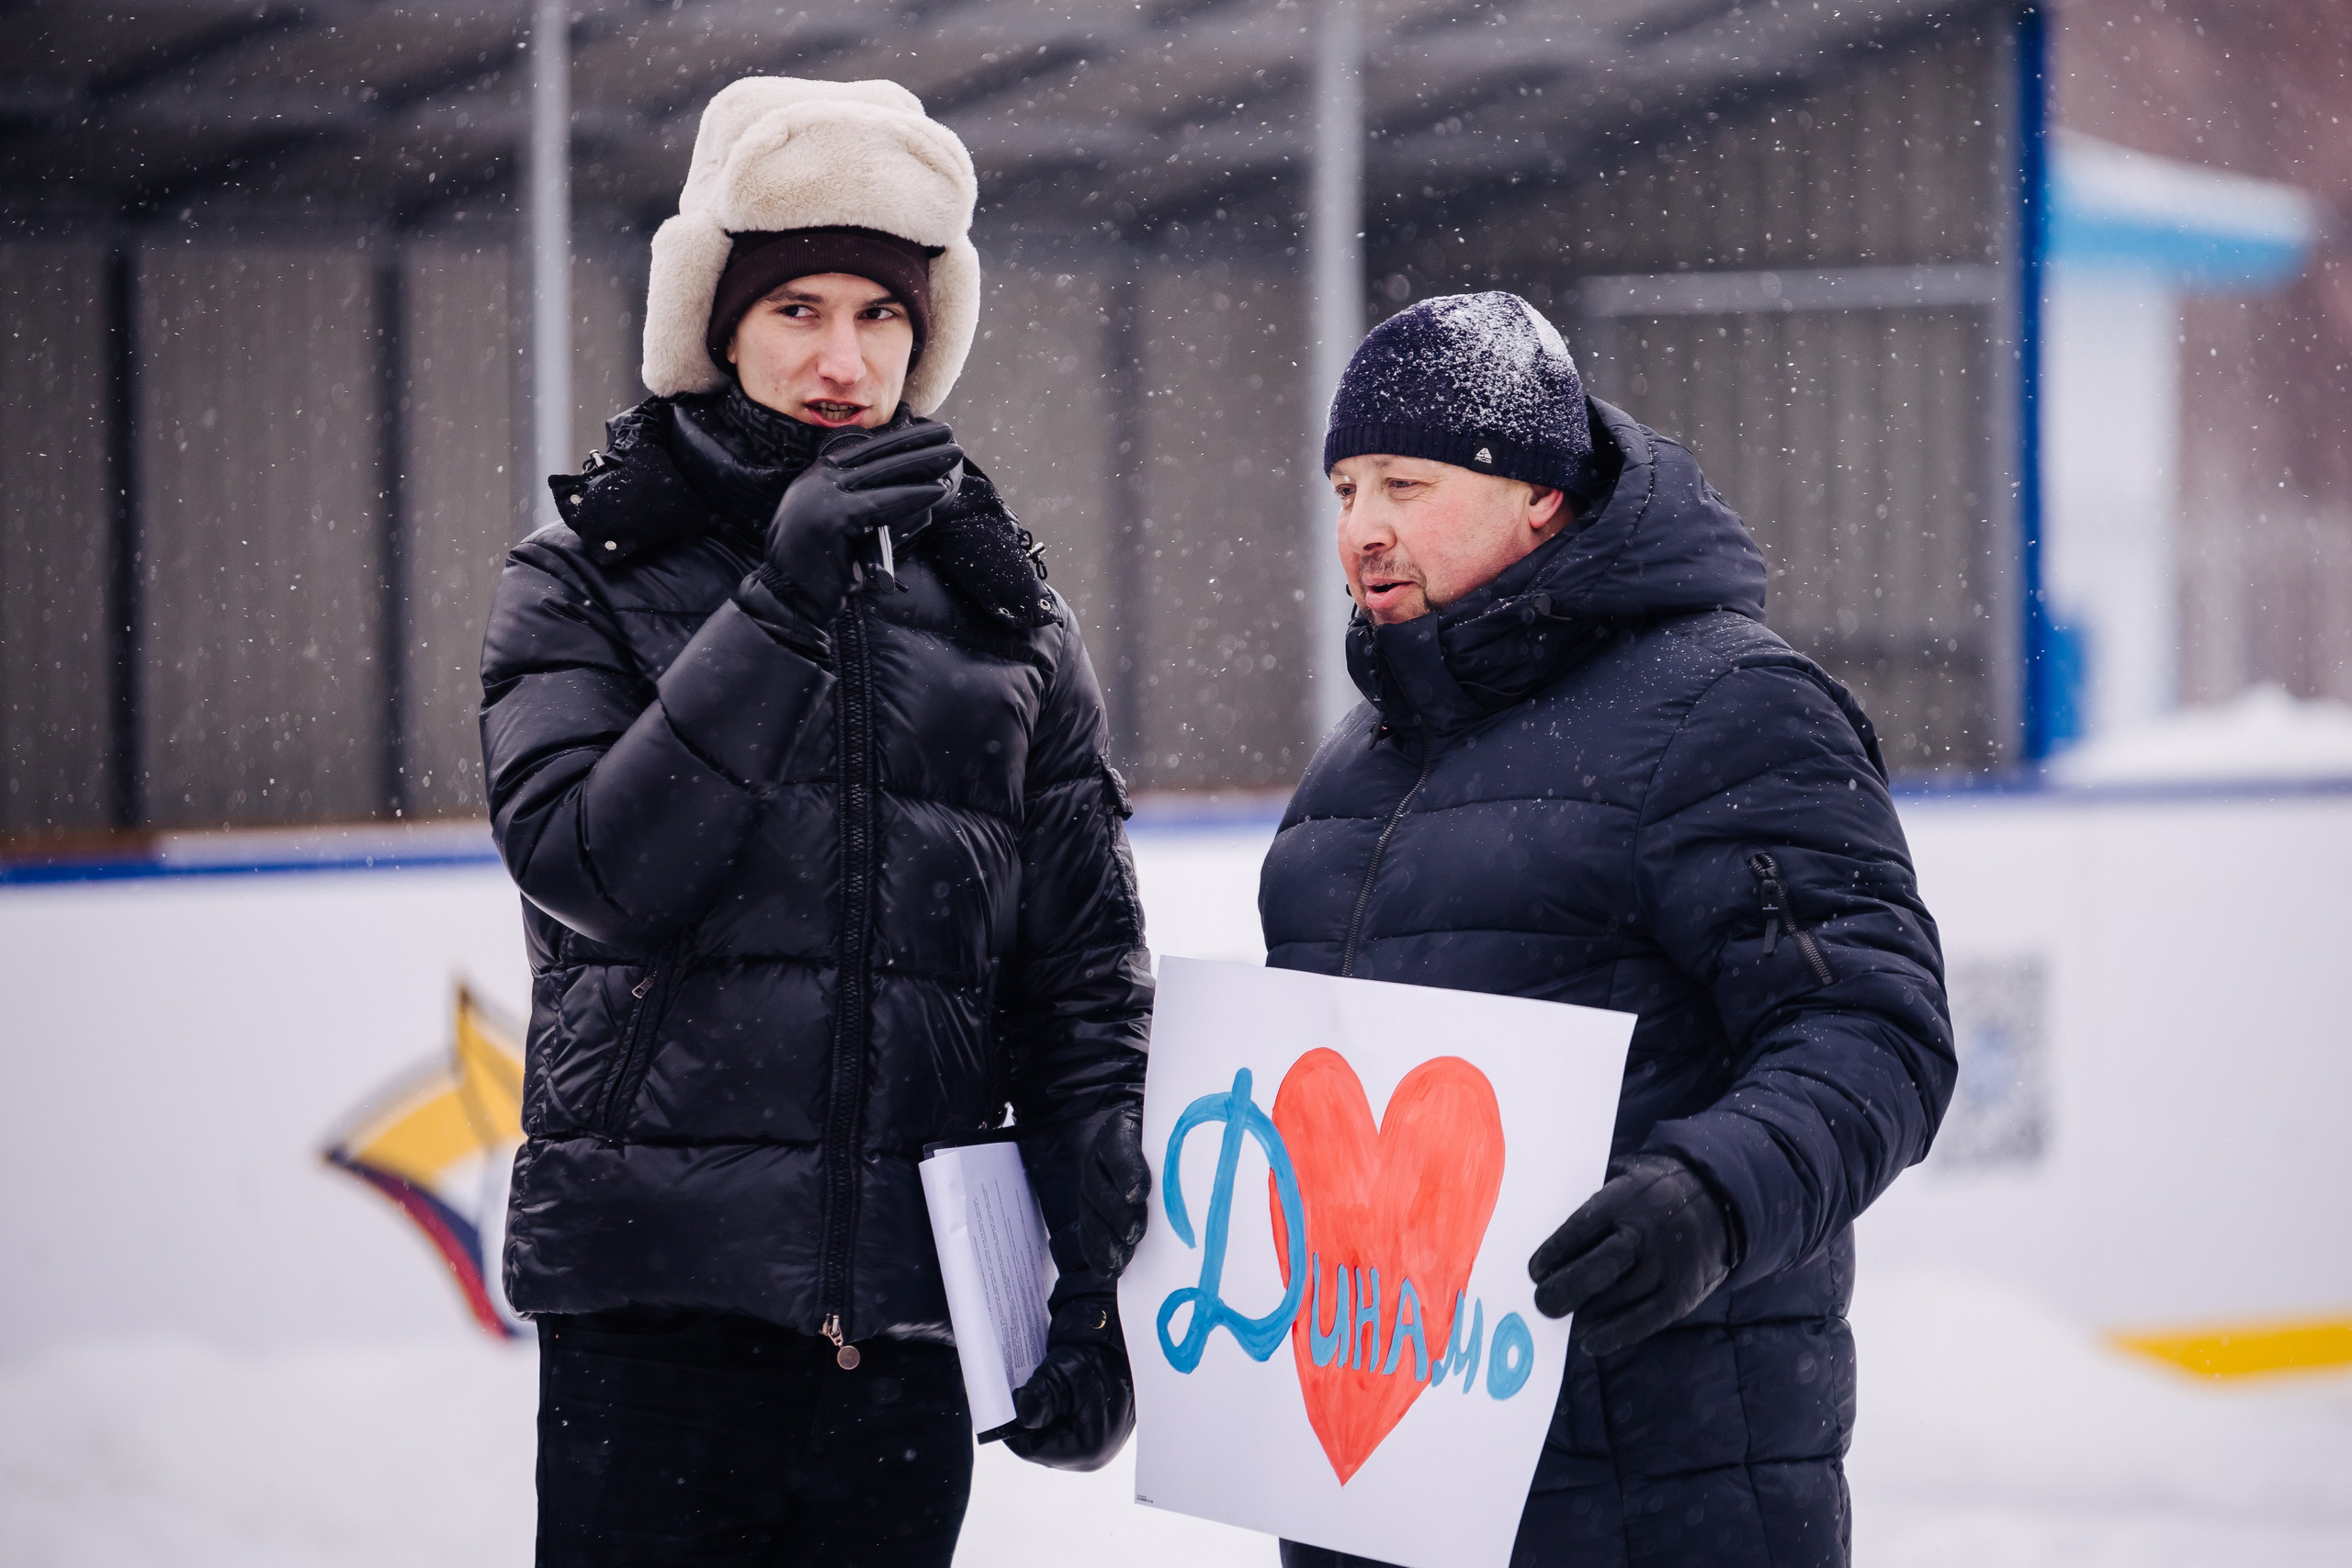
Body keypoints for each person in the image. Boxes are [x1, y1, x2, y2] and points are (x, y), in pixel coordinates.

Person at [479, 76, 1152, 1567]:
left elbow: (1080, 981)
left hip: (903, 1340)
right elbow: (594, 872)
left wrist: (1093, 1286)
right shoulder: (586, 567)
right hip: (657, 1321)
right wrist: (782, 600)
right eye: (797, 311)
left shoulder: (1006, 609)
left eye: (881, 315)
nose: (843, 361)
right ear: (719, 326)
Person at [1259, 293, 1955, 1568]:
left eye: (1406, 485)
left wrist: (1710, 1196)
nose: (1362, 529)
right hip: (1380, 1477)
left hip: (1657, 1483)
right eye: (1345, 490)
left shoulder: (1728, 707)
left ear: (1540, 493)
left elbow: (1875, 1029)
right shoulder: (1354, 766)